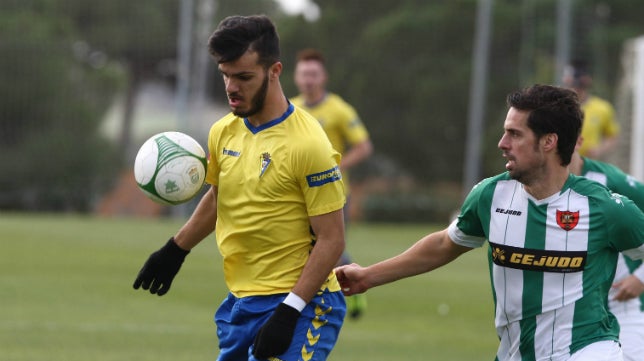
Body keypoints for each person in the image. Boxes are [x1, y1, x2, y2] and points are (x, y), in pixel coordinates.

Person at [335, 84, 644, 360]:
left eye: (515, 134)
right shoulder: (490, 196)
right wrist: (367, 277)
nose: (502, 143)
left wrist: (640, 278)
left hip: (588, 350)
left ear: (549, 142)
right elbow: (444, 244)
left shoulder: (604, 208)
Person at [133, 15, 347, 361]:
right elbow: (221, 195)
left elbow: (333, 239)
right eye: (225, 75)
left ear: (274, 70)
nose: (232, 87)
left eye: (244, 77)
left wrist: (290, 310)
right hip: (242, 303)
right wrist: (176, 249)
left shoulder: (308, 145)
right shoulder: (223, 131)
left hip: (301, 304)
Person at [291, 48, 373, 319]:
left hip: (334, 194)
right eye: (304, 74)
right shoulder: (289, 108)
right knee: (303, 249)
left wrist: (337, 167)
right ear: (295, 77)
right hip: (297, 196)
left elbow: (363, 146)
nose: (308, 80)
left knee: (330, 248)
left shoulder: (338, 109)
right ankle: (305, 301)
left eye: (313, 74)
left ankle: (355, 292)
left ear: (323, 77)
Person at [569, 139, 644, 361]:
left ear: (578, 140)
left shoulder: (611, 181)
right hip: (573, 317)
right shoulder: (534, 188)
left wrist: (641, 277)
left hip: (623, 305)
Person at [562, 59, 620, 159]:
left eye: (578, 85)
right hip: (561, 163)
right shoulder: (557, 106)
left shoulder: (602, 108)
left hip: (588, 163)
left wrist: (599, 149)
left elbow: (612, 136)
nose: (575, 89)